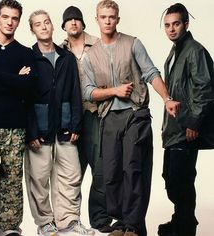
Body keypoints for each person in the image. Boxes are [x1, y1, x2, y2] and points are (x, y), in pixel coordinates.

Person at [83, 1, 180, 236]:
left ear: (118, 19)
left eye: (112, 17)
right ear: (96, 19)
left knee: (134, 169)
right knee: (113, 171)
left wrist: (166, 98)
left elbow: (151, 72)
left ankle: (133, 224)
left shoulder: (132, 43)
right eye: (103, 17)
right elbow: (87, 91)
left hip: (135, 114)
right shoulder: (89, 56)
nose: (107, 21)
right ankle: (123, 221)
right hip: (108, 118)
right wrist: (114, 91)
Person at [25, 10, 95, 236]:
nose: (44, 27)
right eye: (38, 24)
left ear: (53, 26)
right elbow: (24, 98)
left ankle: (69, 222)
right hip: (40, 127)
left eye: (46, 22)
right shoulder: (28, 57)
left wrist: (75, 124)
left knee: (71, 174)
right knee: (39, 177)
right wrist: (31, 131)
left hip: (65, 126)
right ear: (33, 30)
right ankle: (45, 223)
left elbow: (75, 91)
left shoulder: (66, 57)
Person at [0, 0, 37, 236]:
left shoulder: (25, 52)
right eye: (5, 17)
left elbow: (29, 87)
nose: (9, 22)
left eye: (14, 18)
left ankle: (9, 226)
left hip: (15, 125)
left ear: (19, 21)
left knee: (12, 176)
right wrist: (14, 78)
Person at [158, 3, 214, 236]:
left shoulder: (194, 51)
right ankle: (182, 218)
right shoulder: (176, 52)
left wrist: (194, 122)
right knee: (171, 177)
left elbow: (205, 88)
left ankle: (184, 225)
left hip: (187, 128)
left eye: (176, 24)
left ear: (186, 24)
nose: (171, 29)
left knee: (181, 178)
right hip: (174, 127)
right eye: (168, 25)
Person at [60, 6, 113, 233]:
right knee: (72, 170)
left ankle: (99, 218)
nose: (73, 22)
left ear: (83, 23)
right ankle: (70, 220)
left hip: (96, 112)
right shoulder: (60, 50)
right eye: (68, 20)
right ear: (63, 26)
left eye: (76, 19)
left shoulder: (99, 44)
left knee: (99, 167)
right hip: (70, 115)